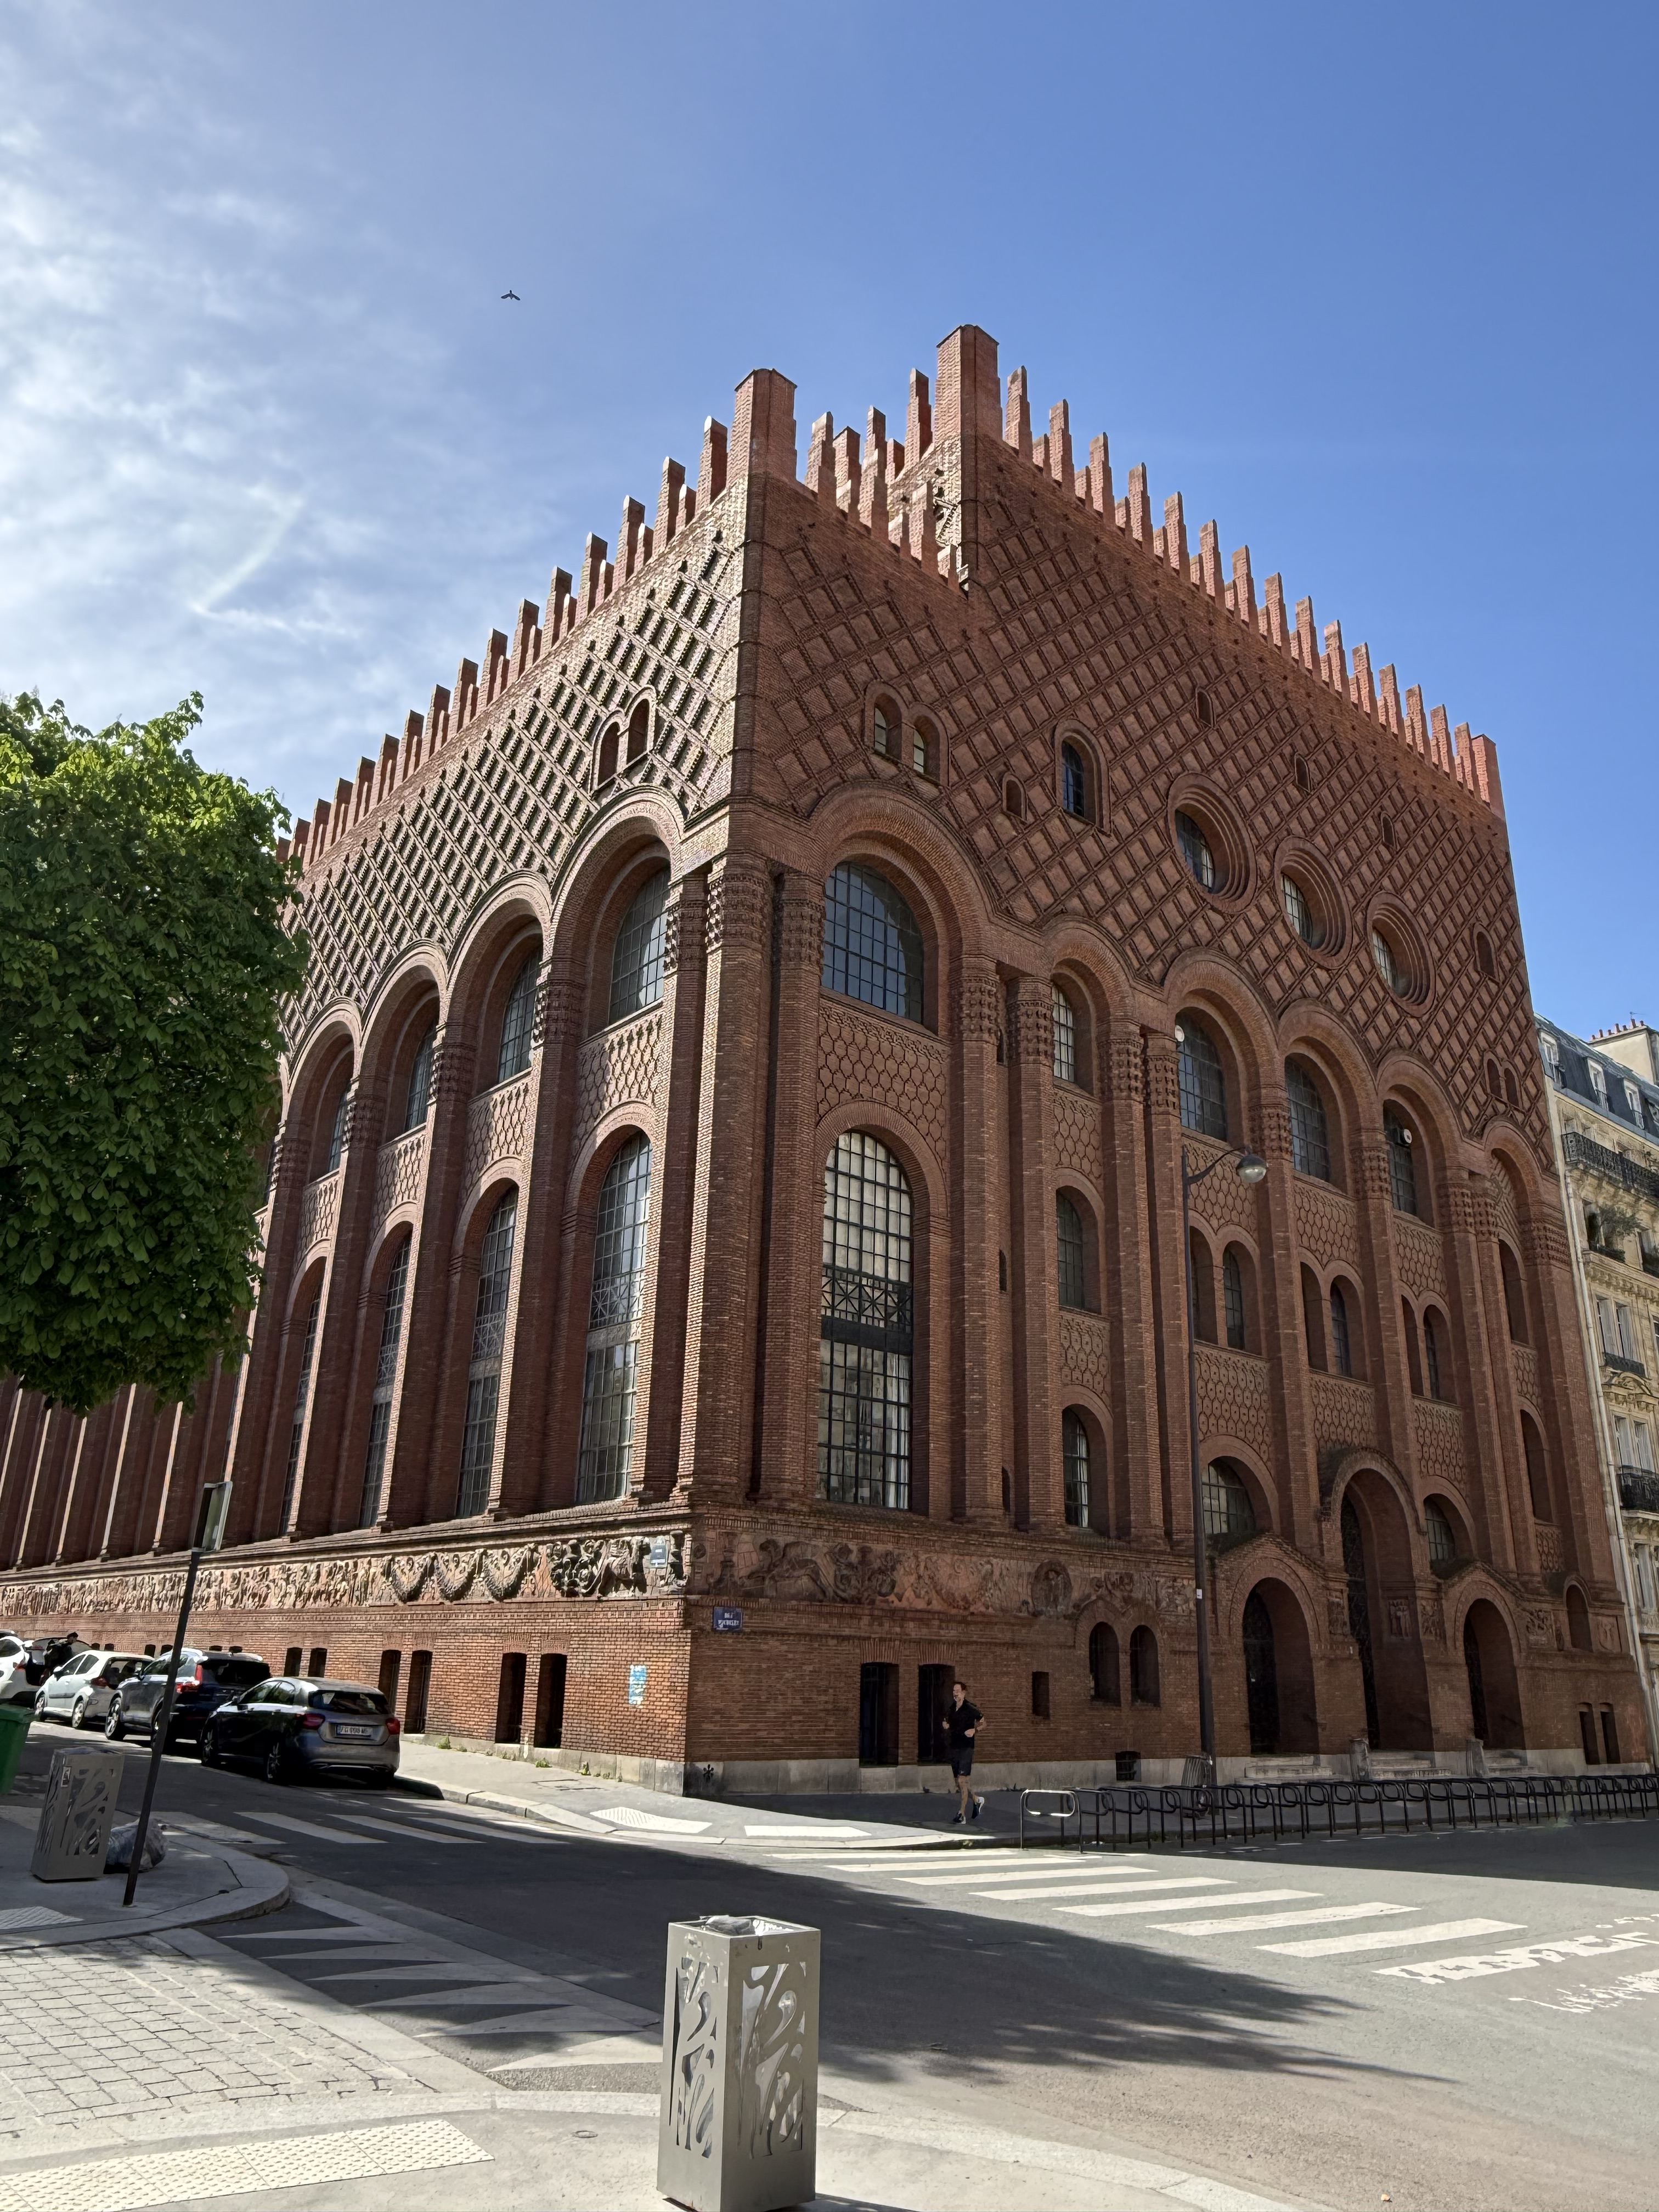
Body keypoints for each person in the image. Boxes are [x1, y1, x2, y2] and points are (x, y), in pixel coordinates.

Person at [944, 1678, 985, 1824]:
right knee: (959, 1784)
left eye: (958, 1692)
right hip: (954, 1747)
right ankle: (977, 1800)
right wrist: (945, 1724)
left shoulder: (970, 1708)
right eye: (954, 1692)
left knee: (962, 1781)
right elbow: (946, 1719)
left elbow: (983, 1722)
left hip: (967, 1748)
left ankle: (961, 1815)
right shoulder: (952, 1708)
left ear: (964, 1693)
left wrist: (975, 1730)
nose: (956, 1694)